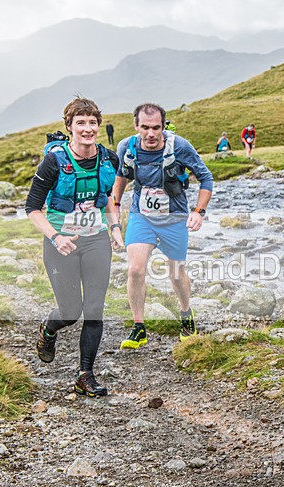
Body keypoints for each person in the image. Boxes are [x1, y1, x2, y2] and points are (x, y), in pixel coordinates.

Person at [26, 97, 124, 397]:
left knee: (94, 310)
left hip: (95, 241)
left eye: (92, 122)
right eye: (80, 122)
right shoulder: (54, 161)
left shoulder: (109, 159)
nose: (88, 128)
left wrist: (116, 228)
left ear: (98, 125)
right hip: (60, 243)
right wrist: (56, 237)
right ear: (69, 127)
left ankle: (85, 375)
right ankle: (49, 329)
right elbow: (32, 208)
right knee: (70, 312)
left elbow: (107, 196)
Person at [112, 103, 213, 349]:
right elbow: (121, 176)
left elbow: (206, 178)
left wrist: (198, 212)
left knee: (176, 274)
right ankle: (138, 328)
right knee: (135, 269)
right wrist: (115, 204)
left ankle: (186, 315)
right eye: (145, 128)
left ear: (163, 126)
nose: (150, 134)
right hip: (141, 215)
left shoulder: (179, 146)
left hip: (175, 217)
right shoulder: (127, 146)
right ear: (136, 126)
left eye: (156, 128)